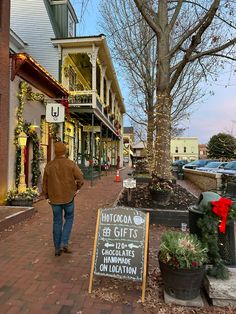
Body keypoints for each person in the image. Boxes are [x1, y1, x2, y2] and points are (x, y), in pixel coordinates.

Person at [43, 141, 84, 256]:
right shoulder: (71, 164)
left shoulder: (49, 165)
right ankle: (63, 243)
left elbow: (44, 183)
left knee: (57, 221)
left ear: (55, 152)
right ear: (65, 151)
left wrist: (47, 196)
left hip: (54, 199)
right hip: (68, 198)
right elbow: (80, 178)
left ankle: (57, 248)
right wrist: (76, 189)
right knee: (69, 219)